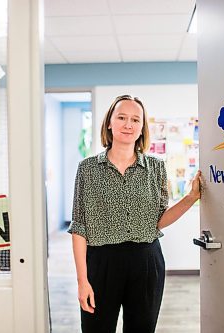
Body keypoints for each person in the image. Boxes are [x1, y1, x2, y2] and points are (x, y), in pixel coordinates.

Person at [68, 95, 202, 333]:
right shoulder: (87, 169)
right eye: (121, 117)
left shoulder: (156, 168)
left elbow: (159, 220)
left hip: (146, 262)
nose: (128, 124)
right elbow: (79, 227)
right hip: (101, 263)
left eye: (135, 119)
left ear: (142, 127)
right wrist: (82, 281)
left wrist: (190, 198)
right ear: (109, 122)